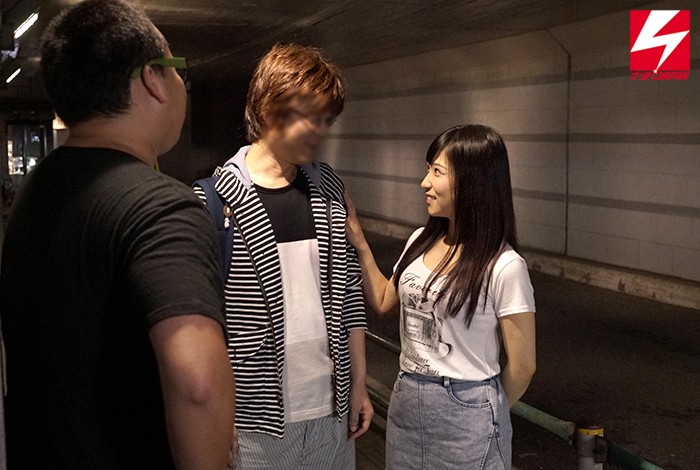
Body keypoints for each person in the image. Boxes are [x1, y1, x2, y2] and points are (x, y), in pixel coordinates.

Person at [0, 1, 235, 468]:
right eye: (178, 70)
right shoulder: (161, 208)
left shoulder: (36, 191)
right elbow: (197, 385)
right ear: (152, 78)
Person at [193, 43, 373, 469]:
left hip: (332, 417)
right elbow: (202, 322)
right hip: (254, 423)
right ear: (268, 107)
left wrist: (359, 384)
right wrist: (216, 412)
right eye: (308, 116)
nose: (319, 131)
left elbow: (350, 296)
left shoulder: (329, 189)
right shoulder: (213, 203)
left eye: (326, 120)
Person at [345, 124, 537, 469]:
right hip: (407, 399)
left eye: (437, 171)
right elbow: (384, 300)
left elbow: (523, 366)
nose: (425, 183)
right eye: (428, 170)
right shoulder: (420, 240)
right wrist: (359, 241)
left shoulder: (505, 266)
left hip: (467, 410)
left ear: (472, 181)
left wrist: (480, 412)